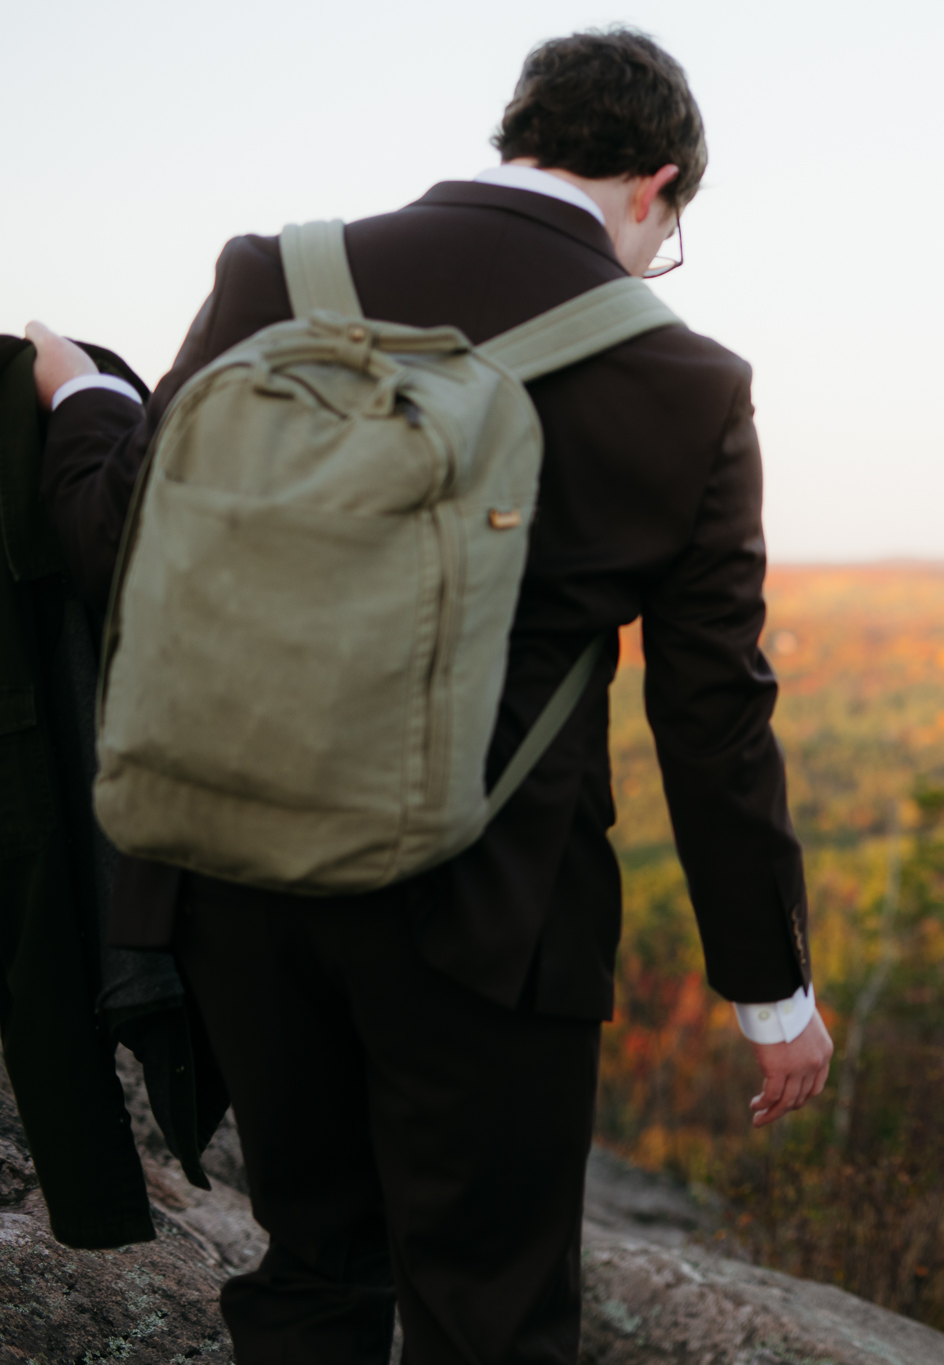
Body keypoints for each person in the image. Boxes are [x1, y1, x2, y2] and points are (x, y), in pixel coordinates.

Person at [28, 27, 829, 1365]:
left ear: (516, 138)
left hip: (242, 876)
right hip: (492, 915)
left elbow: (119, 544)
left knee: (311, 1269)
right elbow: (712, 716)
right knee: (493, 1309)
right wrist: (772, 996)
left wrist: (88, 402)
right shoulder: (687, 384)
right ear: (656, 186)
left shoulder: (275, 275)